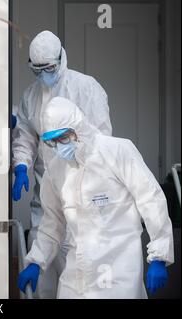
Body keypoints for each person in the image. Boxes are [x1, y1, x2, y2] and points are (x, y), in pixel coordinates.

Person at [17, 97, 174, 298]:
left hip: (119, 269)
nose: (58, 146)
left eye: (63, 138)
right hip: (76, 272)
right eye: (51, 141)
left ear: (79, 128)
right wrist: (36, 261)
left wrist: (159, 255)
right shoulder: (55, 170)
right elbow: (52, 223)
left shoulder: (117, 151)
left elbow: (150, 199)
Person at [12, 30, 112, 298]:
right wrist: (21, 165)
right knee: (42, 279)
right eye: (38, 70)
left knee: (80, 283)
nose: (44, 75)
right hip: (46, 194)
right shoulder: (31, 96)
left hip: (83, 195)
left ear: (61, 58)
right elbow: (25, 136)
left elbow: (101, 139)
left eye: (50, 68)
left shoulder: (85, 88)